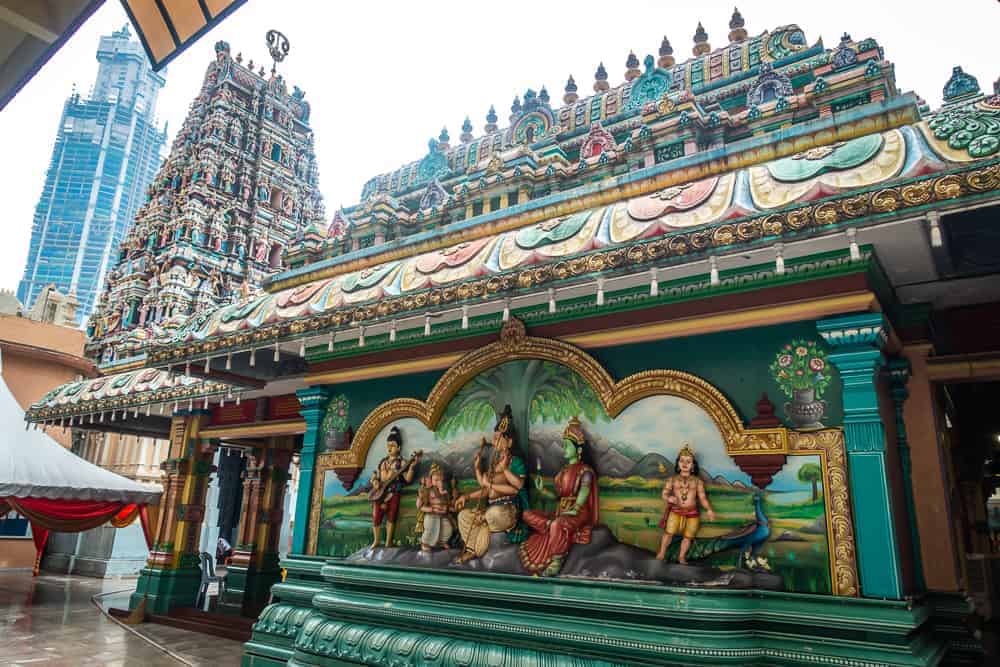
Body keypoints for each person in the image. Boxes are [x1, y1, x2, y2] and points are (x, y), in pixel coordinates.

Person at [519, 417, 599, 576]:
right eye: (564, 444)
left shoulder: (585, 471)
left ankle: (557, 559)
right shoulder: (563, 471)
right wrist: (542, 490)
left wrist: (576, 508)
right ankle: (552, 527)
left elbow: (584, 490)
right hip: (560, 511)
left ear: (578, 450)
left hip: (578, 512)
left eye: (567, 445)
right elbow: (557, 497)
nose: (564, 448)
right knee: (527, 514)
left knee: (557, 524)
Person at [453, 405, 528, 563]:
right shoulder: (495, 464)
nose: (494, 442)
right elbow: (485, 487)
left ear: (509, 442)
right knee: (463, 516)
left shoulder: (515, 462)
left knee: (493, 514)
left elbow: (518, 487)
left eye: (499, 438)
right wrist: (467, 496)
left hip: (507, 510)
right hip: (490, 509)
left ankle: (484, 522)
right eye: (494, 438)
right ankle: (472, 549)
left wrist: (504, 471)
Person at [655, 444, 716, 564]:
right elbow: (664, 493)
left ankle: (681, 557)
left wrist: (709, 509)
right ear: (678, 463)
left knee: (688, 537)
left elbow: (702, 498)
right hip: (676, 511)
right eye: (682, 460)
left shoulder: (698, 481)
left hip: (692, 513)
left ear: (693, 465)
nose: (685, 464)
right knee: (668, 533)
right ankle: (661, 553)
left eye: (688, 461)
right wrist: (669, 498)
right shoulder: (672, 479)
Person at [368, 426, 421, 548]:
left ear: (399, 448)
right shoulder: (383, 462)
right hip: (380, 493)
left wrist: (411, 467)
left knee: (391, 516)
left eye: (392, 445)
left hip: (393, 492)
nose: (389, 448)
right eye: (388, 445)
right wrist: (374, 481)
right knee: (376, 516)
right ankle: (376, 540)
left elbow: (408, 479)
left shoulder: (401, 462)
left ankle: (388, 541)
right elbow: (375, 476)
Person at [416, 463, 455, 551]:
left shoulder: (444, 492)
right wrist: (422, 500)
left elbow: (447, 503)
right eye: (436, 480)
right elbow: (419, 506)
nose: (439, 482)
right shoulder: (428, 491)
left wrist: (448, 508)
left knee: (447, 529)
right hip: (432, 514)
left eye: (441, 480)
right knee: (431, 528)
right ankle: (426, 543)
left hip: (442, 515)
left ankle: (440, 542)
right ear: (431, 480)